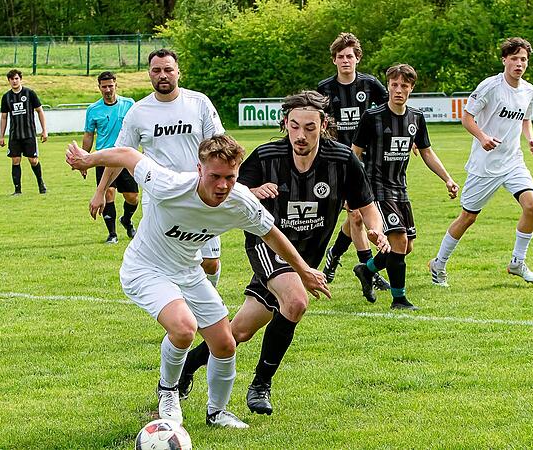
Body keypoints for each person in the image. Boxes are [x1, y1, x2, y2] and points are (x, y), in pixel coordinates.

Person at [66, 134, 329, 429]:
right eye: (215, 176)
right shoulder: (169, 184)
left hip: (188, 271)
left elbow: (271, 234)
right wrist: (87, 160)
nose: (222, 185)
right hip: (146, 268)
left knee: (225, 344)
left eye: (230, 177)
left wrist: (304, 270)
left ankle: (217, 413)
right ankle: (168, 391)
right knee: (184, 329)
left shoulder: (240, 200)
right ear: (199, 169)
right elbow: (128, 154)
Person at [178, 91, 389, 416]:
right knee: (295, 301)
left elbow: (367, 205)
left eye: (309, 127)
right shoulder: (267, 157)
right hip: (266, 244)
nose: (301, 135)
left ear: (324, 124)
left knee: (239, 332)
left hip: (305, 257)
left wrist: (376, 231)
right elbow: (225, 189)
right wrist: (250, 191)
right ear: (285, 125)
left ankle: (185, 369)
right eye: (294, 126)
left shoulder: (343, 160)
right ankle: (261, 384)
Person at [95, 49, 226, 285]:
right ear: (149, 74)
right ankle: (182, 312)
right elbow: (120, 155)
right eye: (156, 70)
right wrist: (100, 191)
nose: (162, 75)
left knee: (209, 262)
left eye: (168, 70)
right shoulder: (139, 112)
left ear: (178, 72)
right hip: (160, 197)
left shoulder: (199, 103)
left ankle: (208, 307)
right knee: (169, 261)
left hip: (201, 193)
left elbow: (220, 145)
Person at [428, 37, 533, 286]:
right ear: (504, 60)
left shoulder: (528, 90)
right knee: (468, 217)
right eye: (514, 58)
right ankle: (438, 263)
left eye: (523, 59)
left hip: (513, 162)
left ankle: (517, 262)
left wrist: (531, 140)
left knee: (531, 206)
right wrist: (482, 137)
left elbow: (525, 119)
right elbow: (466, 117)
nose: (519, 64)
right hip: (485, 165)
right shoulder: (491, 86)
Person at [350, 64, 459, 309]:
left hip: (400, 187)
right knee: (398, 240)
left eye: (404, 86)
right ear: (388, 86)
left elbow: (427, 152)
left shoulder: (416, 118)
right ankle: (399, 299)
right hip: (375, 187)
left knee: (406, 247)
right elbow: (354, 154)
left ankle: (366, 270)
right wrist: (353, 190)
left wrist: (448, 179)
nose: (398, 90)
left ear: (411, 88)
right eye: (394, 85)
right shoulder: (372, 117)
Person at [317, 32, 391, 291]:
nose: (345, 60)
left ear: (357, 58)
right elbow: (317, 124)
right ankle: (368, 270)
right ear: (334, 61)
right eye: (340, 57)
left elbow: (391, 112)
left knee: (356, 216)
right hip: (336, 162)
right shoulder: (324, 89)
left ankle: (335, 255)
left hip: (368, 162)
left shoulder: (370, 85)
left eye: (350, 56)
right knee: (356, 216)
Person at [82, 71, 137, 243]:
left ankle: (126, 220)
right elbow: (89, 135)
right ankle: (112, 234)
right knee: (108, 194)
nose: (107, 89)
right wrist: (84, 160)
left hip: (126, 157)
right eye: (104, 86)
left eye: (110, 86)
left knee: (132, 197)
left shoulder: (129, 104)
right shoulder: (93, 110)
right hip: (103, 158)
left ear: (116, 85)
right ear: (99, 87)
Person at [0, 69, 48, 195]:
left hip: (29, 134)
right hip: (15, 135)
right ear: (9, 81)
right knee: (15, 160)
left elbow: (40, 111)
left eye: (16, 78)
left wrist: (44, 130)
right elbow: (4, 117)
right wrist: (2, 136)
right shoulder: (6, 97)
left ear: (20, 79)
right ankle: (17, 190)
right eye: (12, 79)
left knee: (33, 160)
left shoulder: (30, 93)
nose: (14, 81)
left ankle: (41, 183)